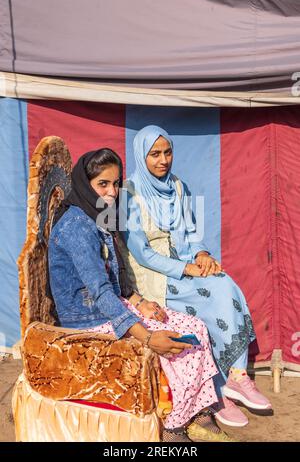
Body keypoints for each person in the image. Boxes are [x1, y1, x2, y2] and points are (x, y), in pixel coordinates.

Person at [48, 148, 232, 442]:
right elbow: (99, 291)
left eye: (116, 183)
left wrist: (140, 302)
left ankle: (199, 413)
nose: (111, 191)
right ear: (85, 184)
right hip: (87, 318)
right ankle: (174, 426)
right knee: (171, 340)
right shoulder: (76, 226)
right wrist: (146, 336)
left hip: (110, 305)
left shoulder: (98, 213)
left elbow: (112, 276)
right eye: (103, 184)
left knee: (195, 327)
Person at [119, 125, 272, 428]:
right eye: (155, 154)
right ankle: (218, 393)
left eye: (167, 152)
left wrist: (201, 255)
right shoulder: (129, 194)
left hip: (185, 261)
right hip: (155, 274)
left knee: (225, 283)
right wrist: (185, 269)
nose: (163, 160)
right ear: (142, 156)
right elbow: (140, 253)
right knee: (209, 303)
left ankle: (237, 377)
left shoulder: (177, 186)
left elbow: (191, 232)